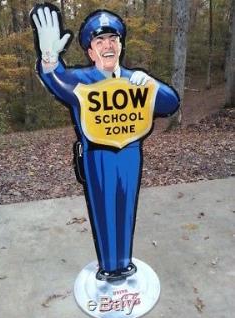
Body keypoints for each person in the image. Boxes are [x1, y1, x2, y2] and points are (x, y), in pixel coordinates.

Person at [30, 4, 180, 281]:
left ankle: (124, 264)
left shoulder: (134, 80)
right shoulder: (81, 80)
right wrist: (49, 57)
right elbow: (56, 80)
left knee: (126, 207)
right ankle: (110, 267)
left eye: (113, 39)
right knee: (104, 209)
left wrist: (150, 84)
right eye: (100, 41)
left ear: (121, 45)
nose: (108, 46)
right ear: (90, 50)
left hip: (131, 152)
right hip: (98, 155)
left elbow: (170, 102)